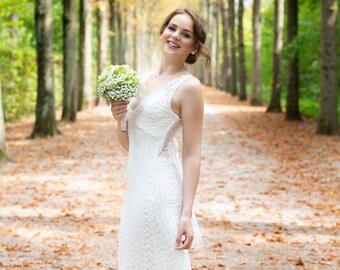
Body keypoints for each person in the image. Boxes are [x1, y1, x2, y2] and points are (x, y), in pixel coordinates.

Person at [110, 8, 210, 269]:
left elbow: (191, 154)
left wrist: (186, 213)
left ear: (194, 47)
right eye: (172, 28)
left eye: (185, 34)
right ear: (163, 31)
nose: (175, 35)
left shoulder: (188, 87)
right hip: (136, 191)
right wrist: (119, 118)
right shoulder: (142, 80)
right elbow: (130, 145)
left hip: (162, 190)